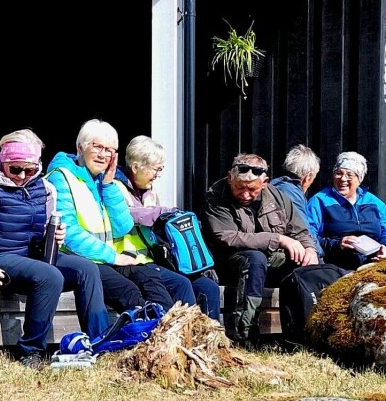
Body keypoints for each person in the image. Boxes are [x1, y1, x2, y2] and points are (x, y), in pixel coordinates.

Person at [0, 129, 109, 369]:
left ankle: (100, 343)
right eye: (15, 169)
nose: (22, 176)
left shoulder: (45, 189)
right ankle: (31, 351)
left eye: (30, 170)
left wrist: (56, 238)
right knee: (49, 275)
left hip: (28, 256)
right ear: (3, 161)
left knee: (86, 268)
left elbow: (42, 233)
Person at [47, 120, 191, 314]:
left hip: (104, 259)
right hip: (76, 259)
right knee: (131, 291)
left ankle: (185, 335)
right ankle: (158, 336)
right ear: (80, 147)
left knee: (177, 283)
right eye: (97, 146)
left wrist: (108, 185)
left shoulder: (103, 181)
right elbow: (70, 234)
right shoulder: (61, 177)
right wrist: (113, 256)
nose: (103, 154)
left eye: (109, 150)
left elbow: (122, 227)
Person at [202, 153, 319, 345]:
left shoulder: (278, 197)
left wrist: (309, 250)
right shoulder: (215, 196)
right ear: (229, 178)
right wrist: (278, 239)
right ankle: (246, 334)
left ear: (264, 183)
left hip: (270, 260)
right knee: (255, 259)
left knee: (306, 263)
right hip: (229, 262)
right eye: (240, 187)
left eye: (253, 189)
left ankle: (300, 334)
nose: (246, 194)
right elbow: (227, 237)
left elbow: (300, 230)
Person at [112, 136, 221, 320]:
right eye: (156, 169)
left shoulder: (150, 192)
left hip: (156, 259)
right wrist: (162, 212)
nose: (158, 175)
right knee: (181, 284)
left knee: (207, 286)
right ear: (136, 166)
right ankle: (187, 339)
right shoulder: (114, 187)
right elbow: (131, 215)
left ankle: (213, 340)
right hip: (128, 262)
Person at [307, 151, 386, 271]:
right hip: (336, 266)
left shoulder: (375, 203)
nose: (343, 179)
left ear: (359, 179)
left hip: (373, 265)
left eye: (349, 175)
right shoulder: (320, 201)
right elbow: (309, 234)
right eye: (338, 173)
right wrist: (337, 244)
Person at [270, 144, 323, 258]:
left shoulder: (275, 185)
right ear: (308, 177)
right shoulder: (291, 193)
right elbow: (302, 229)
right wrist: (320, 256)